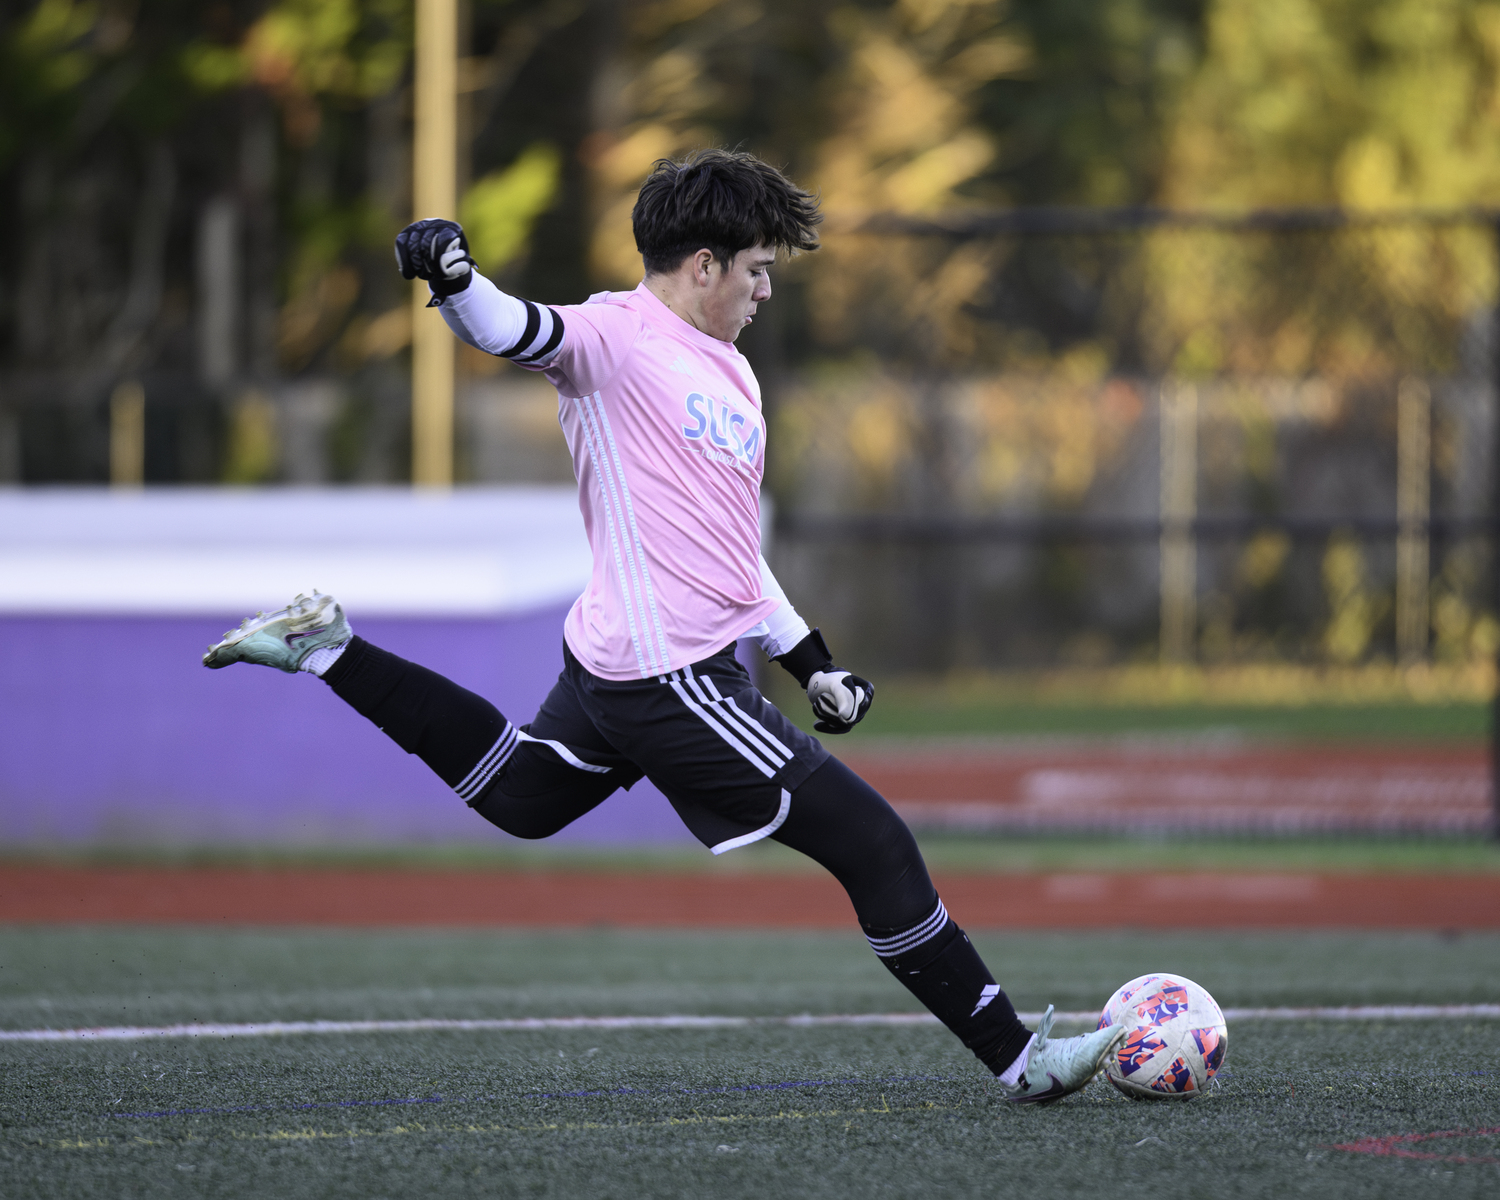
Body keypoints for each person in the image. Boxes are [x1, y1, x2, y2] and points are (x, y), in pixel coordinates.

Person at [203, 149, 1124, 1103]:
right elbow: (523, 331)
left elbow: (730, 550)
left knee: (521, 797)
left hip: (621, 661)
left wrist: (810, 663)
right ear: (703, 265)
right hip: (669, 675)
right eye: (758, 270)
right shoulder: (617, 338)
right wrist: (455, 279)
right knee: (875, 843)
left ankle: (329, 649)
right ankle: (1023, 1062)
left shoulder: (729, 373)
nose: (767, 291)